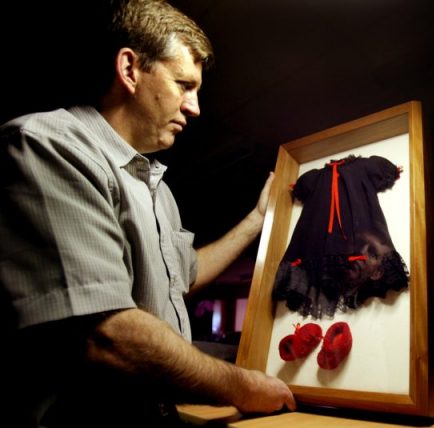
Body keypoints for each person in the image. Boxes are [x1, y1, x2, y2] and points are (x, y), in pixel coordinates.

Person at [0, 1, 295, 427]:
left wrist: (256, 219)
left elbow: (183, 277)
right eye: (183, 84)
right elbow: (108, 334)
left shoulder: (157, 189)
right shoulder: (50, 146)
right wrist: (241, 385)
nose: (194, 107)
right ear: (130, 69)